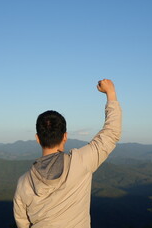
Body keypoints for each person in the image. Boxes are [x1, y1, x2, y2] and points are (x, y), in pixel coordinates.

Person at [13, 79, 122, 228]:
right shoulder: (81, 162)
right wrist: (111, 93)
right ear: (65, 136)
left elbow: (22, 224)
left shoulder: (24, 183)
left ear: (37, 138)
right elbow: (111, 134)